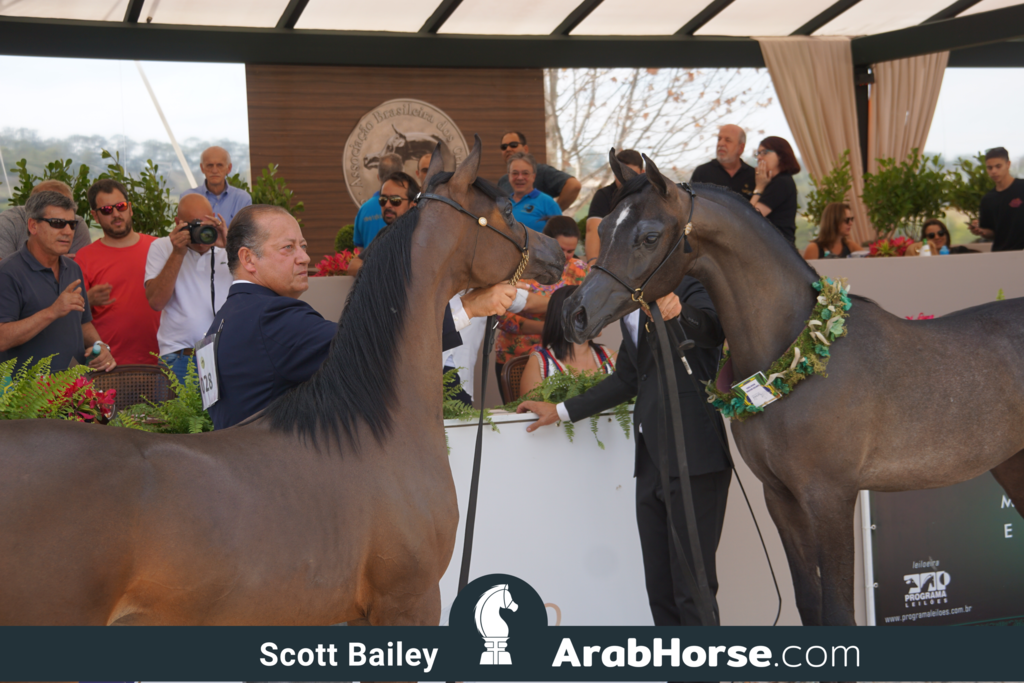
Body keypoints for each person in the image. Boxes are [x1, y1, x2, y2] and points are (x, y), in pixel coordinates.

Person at [517, 278, 732, 627]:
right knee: (660, 589)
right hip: (649, 461)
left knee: (692, 586)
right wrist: (560, 411)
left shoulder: (690, 287)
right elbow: (628, 379)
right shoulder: (629, 308)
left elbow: (711, 329)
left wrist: (681, 312)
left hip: (695, 454)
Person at [0, 191, 116, 374]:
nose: (68, 231)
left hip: (74, 390)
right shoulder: (8, 272)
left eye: (71, 224)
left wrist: (100, 345)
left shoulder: (73, 269)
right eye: (57, 223)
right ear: (33, 225)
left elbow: (82, 322)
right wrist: (52, 311)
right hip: (27, 397)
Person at [494, 215, 588, 395]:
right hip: (517, 354)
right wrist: (553, 325)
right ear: (546, 242)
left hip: (565, 358)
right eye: (562, 249)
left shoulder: (580, 269)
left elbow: (589, 315)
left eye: (571, 250)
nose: (567, 256)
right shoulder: (520, 265)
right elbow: (504, 317)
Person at [144, 194, 232, 383]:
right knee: (173, 413)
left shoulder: (229, 250)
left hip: (224, 355)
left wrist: (231, 247)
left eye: (205, 224)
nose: (201, 234)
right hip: (178, 358)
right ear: (178, 223)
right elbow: (156, 302)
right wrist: (178, 253)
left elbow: (255, 289)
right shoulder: (162, 247)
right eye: (194, 225)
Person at [74, 179, 161, 365]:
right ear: (95, 216)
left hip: (164, 363)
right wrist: (88, 300)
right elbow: (72, 316)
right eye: (106, 210)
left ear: (130, 208)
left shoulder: (159, 247)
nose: (115, 214)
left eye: (120, 206)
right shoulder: (84, 258)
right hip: (110, 366)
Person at [518, 285, 616, 397]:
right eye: (593, 310)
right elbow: (531, 411)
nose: (601, 317)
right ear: (569, 317)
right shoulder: (539, 363)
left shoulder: (612, 359)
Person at [346, 171, 420, 278]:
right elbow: (353, 266)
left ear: (413, 206)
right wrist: (380, 269)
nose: (387, 205)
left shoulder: (424, 237)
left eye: (395, 200)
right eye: (383, 199)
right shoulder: (385, 233)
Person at [0, 180, 92, 261]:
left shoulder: (76, 223)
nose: (68, 231)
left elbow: (81, 267)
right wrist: (51, 262)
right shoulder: (9, 221)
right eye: (57, 222)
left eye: (67, 205)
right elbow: (4, 271)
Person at [585, 150, 644, 263]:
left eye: (631, 174)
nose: (625, 179)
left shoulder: (651, 197)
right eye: (620, 174)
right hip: (609, 262)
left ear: (642, 173)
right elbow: (593, 229)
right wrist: (593, 262)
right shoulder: (604, 196)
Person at [496, 131, 581, 210]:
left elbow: (573, 185)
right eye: (504, 147)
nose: (508, 149)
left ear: (525, 149)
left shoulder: (541, 171)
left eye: (513, 145)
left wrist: (552, 213)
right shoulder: (503, 181)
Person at [180, 146, 252, 229]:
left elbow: (245, 235)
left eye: (219, 165)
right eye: (210, 165)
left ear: (229, 168)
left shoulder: (242, 199)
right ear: (202, 168)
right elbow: (183, 231)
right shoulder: (187, 197)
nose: (214, 170)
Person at [970, 146, 1024, 251]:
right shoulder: (988, 199)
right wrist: (981, 231)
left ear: (1008, 164)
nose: (993, 171)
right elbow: (992, 232)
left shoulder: (1022, 188)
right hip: (1000, 254)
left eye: (998, 166)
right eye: (990, 168)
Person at [750, 136, 800, 245]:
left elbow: (750, 217)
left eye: (764, 152)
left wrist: (759, 188)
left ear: (781, 155)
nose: (759, 157)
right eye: (757, 153)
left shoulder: (781, 183)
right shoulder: (776, 182)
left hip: (778, 250)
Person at [690, 124, 756, 199]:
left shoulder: (754, 176)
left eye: (728, 140)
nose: (720, 143)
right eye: (719, 139)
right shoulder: (702, 172)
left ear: (741, 147)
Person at [353, 153, 404, 249]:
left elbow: (359, 252)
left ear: (378, 177)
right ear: (401, 176)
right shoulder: (409, 206)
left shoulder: (364, 210)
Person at [506, 152, 564, 232]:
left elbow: (561, 236)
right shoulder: (502, 203)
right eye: (515, 173)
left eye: (525, 173)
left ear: (533, 176)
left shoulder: (548, 203)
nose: (519, 177)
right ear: (509, 176)